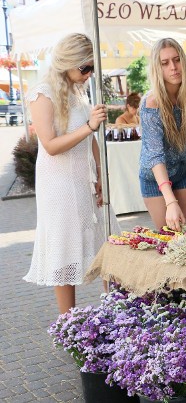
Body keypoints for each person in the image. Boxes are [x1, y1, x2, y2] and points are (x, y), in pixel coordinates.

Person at [23, 33, 118, 314]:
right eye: (84, 68)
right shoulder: (42, 93)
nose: (89, 74)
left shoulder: (79, 90)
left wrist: (100, 174)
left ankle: (115, 311)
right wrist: (89, 126)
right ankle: (69, 322)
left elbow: (91, 141)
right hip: (58, 183)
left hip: (84, 177)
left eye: (92, 68)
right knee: (64, 249)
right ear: (68, 62)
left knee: (105, 242)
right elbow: (50, 145)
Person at [139, 38, 186, 231]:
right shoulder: (151, 102)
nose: (173, 67)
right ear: (157, 68)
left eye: (177, 60)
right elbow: (155, 155)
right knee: (171, 242)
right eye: (165, 63)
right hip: (156, 178)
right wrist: (170, 202)